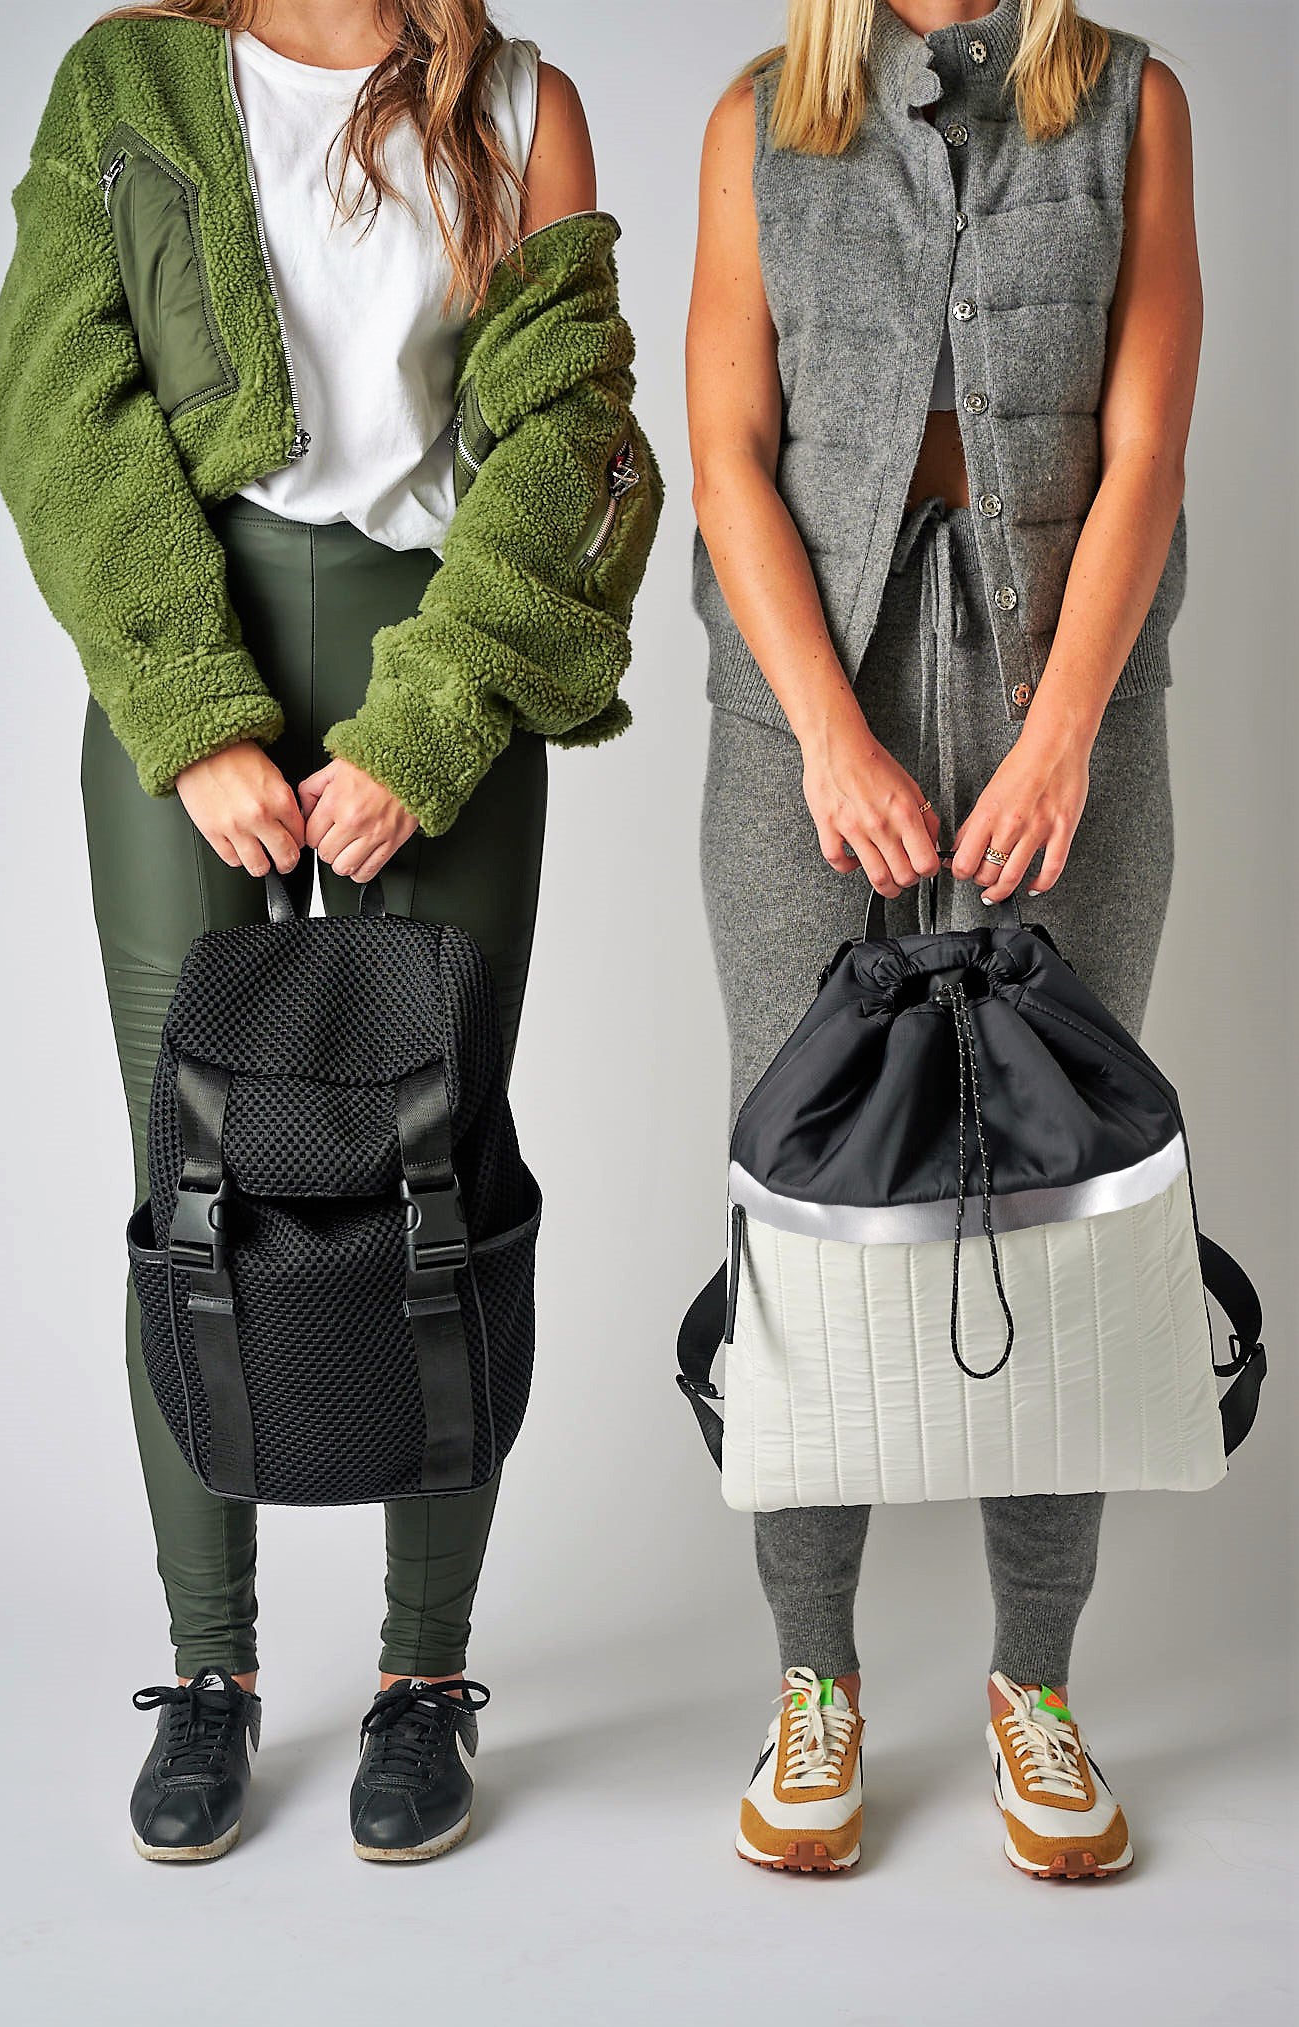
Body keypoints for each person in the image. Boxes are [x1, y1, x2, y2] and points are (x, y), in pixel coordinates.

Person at [0, 0, 657, 1864]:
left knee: (438, 1174)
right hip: (179, 640)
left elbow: (573, 440)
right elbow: (56, 403)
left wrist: (428, 723)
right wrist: (190, 712)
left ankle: (423, 1681)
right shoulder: (124, 79)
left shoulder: (523, 103)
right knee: (183, 1180)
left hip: (438, 650)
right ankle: (210, 1674)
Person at [686, 0, 1199, 1879]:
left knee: (1050, 1199)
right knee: (803, 1200)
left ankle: (1034, 1687)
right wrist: (825, 730)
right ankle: (810, 1678)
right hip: (800, 711)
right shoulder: (760, 115)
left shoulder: (1134, 99)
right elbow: (727, 444)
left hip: (1066, 696)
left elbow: (1141, 440)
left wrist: (1065, 724)